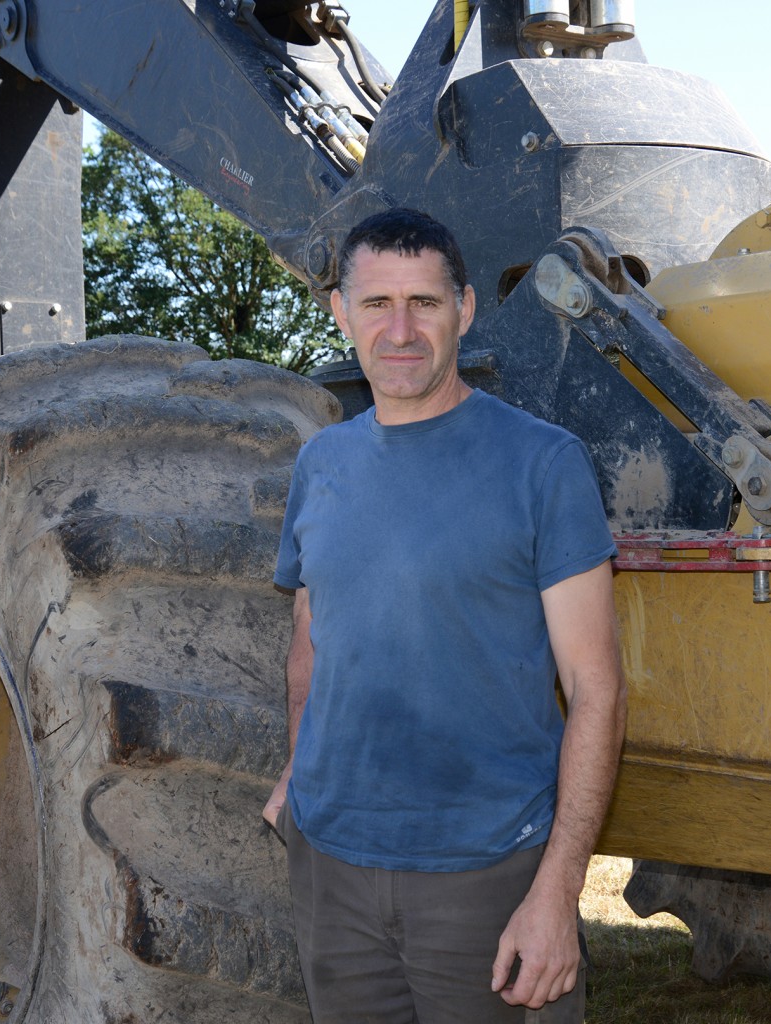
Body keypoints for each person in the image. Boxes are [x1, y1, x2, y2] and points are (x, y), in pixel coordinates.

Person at [262, 207, 627, 1023]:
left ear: (463, 309)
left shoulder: (542, 463)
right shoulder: (321, 463)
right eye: (375, 304)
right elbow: (311, 649)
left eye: (423, 304)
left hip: (487, 876)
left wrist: (556, 894)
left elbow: (594, 689)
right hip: (332, 871)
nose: (399, 330)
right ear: (338, 312)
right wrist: (299, 774)